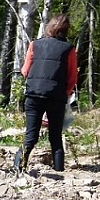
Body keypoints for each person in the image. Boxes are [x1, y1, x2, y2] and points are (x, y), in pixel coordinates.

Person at [14, 14, 77, 173]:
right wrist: (66, 93)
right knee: (55, 138)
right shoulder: (68, 48)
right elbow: (72, 77)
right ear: (65, 30)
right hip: (56, 98)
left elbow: (25, 71)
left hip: (34, 95)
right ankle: (59, 171)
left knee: (30, 136)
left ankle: (18, 167)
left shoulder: (34, 44)